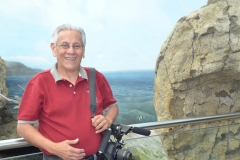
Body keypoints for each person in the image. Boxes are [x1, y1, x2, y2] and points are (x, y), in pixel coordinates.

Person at [17, 24, 119, 160]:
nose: (71, 51)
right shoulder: (39, 82)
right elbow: (23, 127)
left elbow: (112, 106)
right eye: (65, 45)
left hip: (97, 157)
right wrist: (54, 148)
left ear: (83, 51)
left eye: (76, 46)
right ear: (54, 49)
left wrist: (108, 119)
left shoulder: (96, 77)